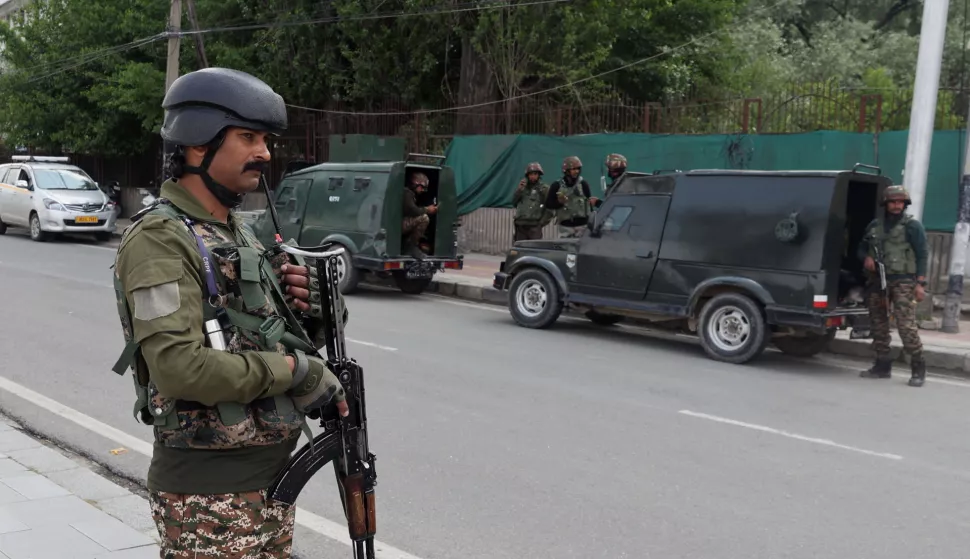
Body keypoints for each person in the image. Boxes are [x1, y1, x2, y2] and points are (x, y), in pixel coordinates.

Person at [111, 67, 350, 557]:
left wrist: (321, 312)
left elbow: (264, 339)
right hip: (209, 495)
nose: (264, 152)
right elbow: (179, 368)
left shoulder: (235, 232)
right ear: (198, 146)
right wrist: (297, 370)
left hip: (265, 480)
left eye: (264, 138)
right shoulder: (161, 239)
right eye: (248, 137)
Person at [857, 184, 929, 387]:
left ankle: (918, 368)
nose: (897, 205)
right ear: (886, 204)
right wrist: (867, 258)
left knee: (906, 326)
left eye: (900, 202)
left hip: (904, 281)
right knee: (878, 324)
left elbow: (923, 253)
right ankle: (882, 365)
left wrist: (921, 283)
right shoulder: (874, 226)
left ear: (905, 204)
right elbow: (861, 248)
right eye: (893, 202)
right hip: (878, 280)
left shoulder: (912, 226)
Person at [544, 156, 599, 238]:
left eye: (578, 169)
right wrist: (559, 202)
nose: (576, 171)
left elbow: (589, 204)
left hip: (582, 226)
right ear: (566, 170)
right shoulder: (556, 185)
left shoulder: (583, 184)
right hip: (565, 227)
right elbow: (548, 204)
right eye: (573, 169)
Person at [512, 162, 551, 241]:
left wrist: (541, 223)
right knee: (519, 249)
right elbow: (514, 202)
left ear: (539, 175)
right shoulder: (523, 187)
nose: (533, 176)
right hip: (520, 225)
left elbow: (550, 208)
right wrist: (519, 190)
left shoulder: (544, 189)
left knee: (534, 250)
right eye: (531, 174)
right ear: (527, 175)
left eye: (535, 174)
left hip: (534, 226)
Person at [402, 171, 436, 258]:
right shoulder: (407, 193)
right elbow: (413, 210)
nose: (422, 190)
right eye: (421, 187)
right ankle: (410, 247)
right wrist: (427, 209)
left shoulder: (410, 194)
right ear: (415, 184)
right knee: (424, 218)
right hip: (398, 225)